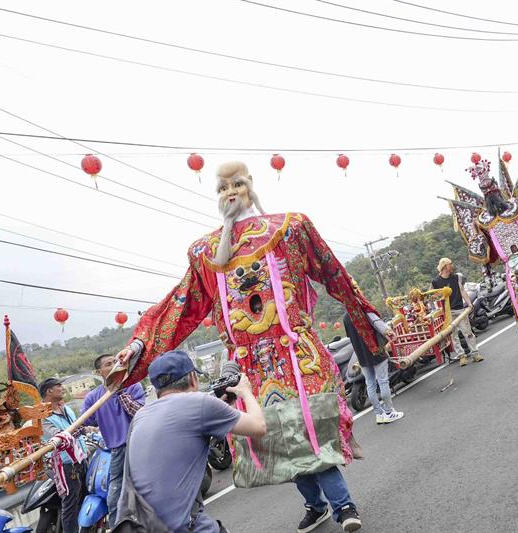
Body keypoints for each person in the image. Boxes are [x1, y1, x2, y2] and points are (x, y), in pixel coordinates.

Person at [113, 161, 377, 532]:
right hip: (249, 370)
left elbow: (333, 272)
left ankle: (344, 507)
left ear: (251, 185)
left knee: (311, 435)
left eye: (237, 184)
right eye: (222, 188)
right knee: (276, 444)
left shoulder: (290, 228)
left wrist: (366, 313)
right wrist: (140, 342)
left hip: (297, 357)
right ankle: (314, 504)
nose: (230, 192)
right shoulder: (204, 252)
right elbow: (179, 306)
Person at [116, 350, 265, 533]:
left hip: (139, 525)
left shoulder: (140, 415)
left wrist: (221, 407)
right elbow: (259, 427)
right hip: (182, 527)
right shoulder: (200, 403)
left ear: (156, 388)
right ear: (193, 378)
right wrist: (246, 392)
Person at [81, 354, 145, 527]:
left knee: (149, 484)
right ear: (99, 372)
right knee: (115, 493)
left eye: (116, 362)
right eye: (109, 364)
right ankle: (119, 527)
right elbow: (84, 422)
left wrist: (120, 391)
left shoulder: (132, 386)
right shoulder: (93, 398)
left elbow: (140, 412)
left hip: (141, 444)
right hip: (117, 450)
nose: (115, 365)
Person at [39, 377, 88, 533]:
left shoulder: (65, 408)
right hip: (66, 465)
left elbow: (77, 427)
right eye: (59, 385)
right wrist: (85, 429)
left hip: (81, 458)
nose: (62, 387)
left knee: (83, 496)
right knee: (70, 505)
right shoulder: (42, 417)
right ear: (49, 391)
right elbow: (60, 437)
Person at [342, 312, 404, 425]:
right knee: (383, 381)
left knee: (370, 384)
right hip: (377, 352)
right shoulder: (364, 311)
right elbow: (379, 326)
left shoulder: (346, 317)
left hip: (361, 356)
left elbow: (351, 337)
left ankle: (379, 415)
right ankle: (389, 412)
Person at [431, 258, 482, 366]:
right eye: (450, 264)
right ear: (444, 267)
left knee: (468, 332)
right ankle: (461, 356)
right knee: (454, 336)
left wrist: (469, 303)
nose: (452, 266)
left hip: (460, 309)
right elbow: (433, 297)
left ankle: (475, 353)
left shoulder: (456, 277)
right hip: (447, 313)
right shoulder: (435, 282)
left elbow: (462, 290)